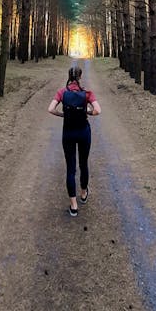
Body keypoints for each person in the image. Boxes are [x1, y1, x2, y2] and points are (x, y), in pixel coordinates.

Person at [48, 66, 101, 217]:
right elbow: (98, 110)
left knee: (70, 168)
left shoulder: (62, 92)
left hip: (68, 133)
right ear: (80, 77)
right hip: (84, 132)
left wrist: (62, 115)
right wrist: (87, 112)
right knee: (83, 164)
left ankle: (74, 205)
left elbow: (50, 109)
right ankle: (83, 194)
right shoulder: (87, 93)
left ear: (69, 77)